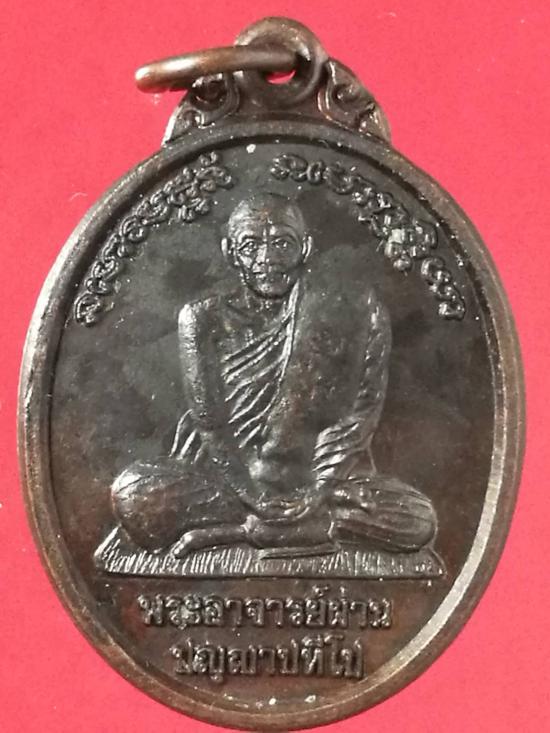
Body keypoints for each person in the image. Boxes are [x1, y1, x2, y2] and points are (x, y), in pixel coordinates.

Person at [111, 193, 436, 557]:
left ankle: (251, 530)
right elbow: (211, 424)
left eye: (282, 243)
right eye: (251, 246)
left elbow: (361, 415)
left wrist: (318, 489)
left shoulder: (355, 310)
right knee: (135, 494)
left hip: (318, 483)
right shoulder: (203, 318)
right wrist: (252, 495)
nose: (267, 259)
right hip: (228, 482)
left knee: (418, 518)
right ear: (231, 253)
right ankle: (307, 529)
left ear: (305, 248)